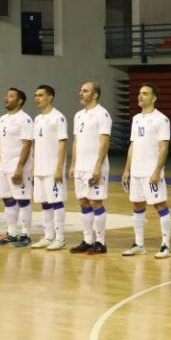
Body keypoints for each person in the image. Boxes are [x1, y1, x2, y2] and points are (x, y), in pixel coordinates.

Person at [121, 83, 171, 258]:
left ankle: (166, 245)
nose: (140, 96)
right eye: (139, 93)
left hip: (151, 172)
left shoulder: (161, 119)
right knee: (137, 205)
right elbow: (133, 144)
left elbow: (164, 147)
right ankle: (139, 244)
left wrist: (157, 171)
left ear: (154, 98)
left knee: (160, 205)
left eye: (145, 93)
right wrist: (127, 169)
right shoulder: (136, 118)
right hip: (136, 172)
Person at [69, 81, 112, 255]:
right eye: (80, 90)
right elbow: (76, 141)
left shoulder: (102, 114)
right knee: (83, 201)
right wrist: (73, 164)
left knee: (95, 202)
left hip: (95, 167)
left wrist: (98, 167)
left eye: (85, 91)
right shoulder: (78, 115)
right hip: (80, 167)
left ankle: (101, 242)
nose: (81, 93)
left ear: (95, 95)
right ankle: (88, 240)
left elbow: (104, 142)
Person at [0, 88, 34, 246]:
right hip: (4, 166)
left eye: (11, 96)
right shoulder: (2, 119)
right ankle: (11, 233)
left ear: (20, 100)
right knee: (7, 198)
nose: (6, 98)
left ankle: (26, 234)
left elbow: (27, 144)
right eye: (6, 95)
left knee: (22, 199)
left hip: (18, 166)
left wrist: (20, 167)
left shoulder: (25, 119)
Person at [30, 85, 69, 250]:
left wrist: (59, 168)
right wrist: (33, 168)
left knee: (56, 201)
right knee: (44, 203)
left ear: (50, 97)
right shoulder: (37, 119)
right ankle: (48, 235)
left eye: (40, 95)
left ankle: (60, 238)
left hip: (53, 169)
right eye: (35, 95)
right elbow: (35, 145)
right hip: (39, 169)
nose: (37, 98)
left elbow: (62, 144)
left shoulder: (58, 117)